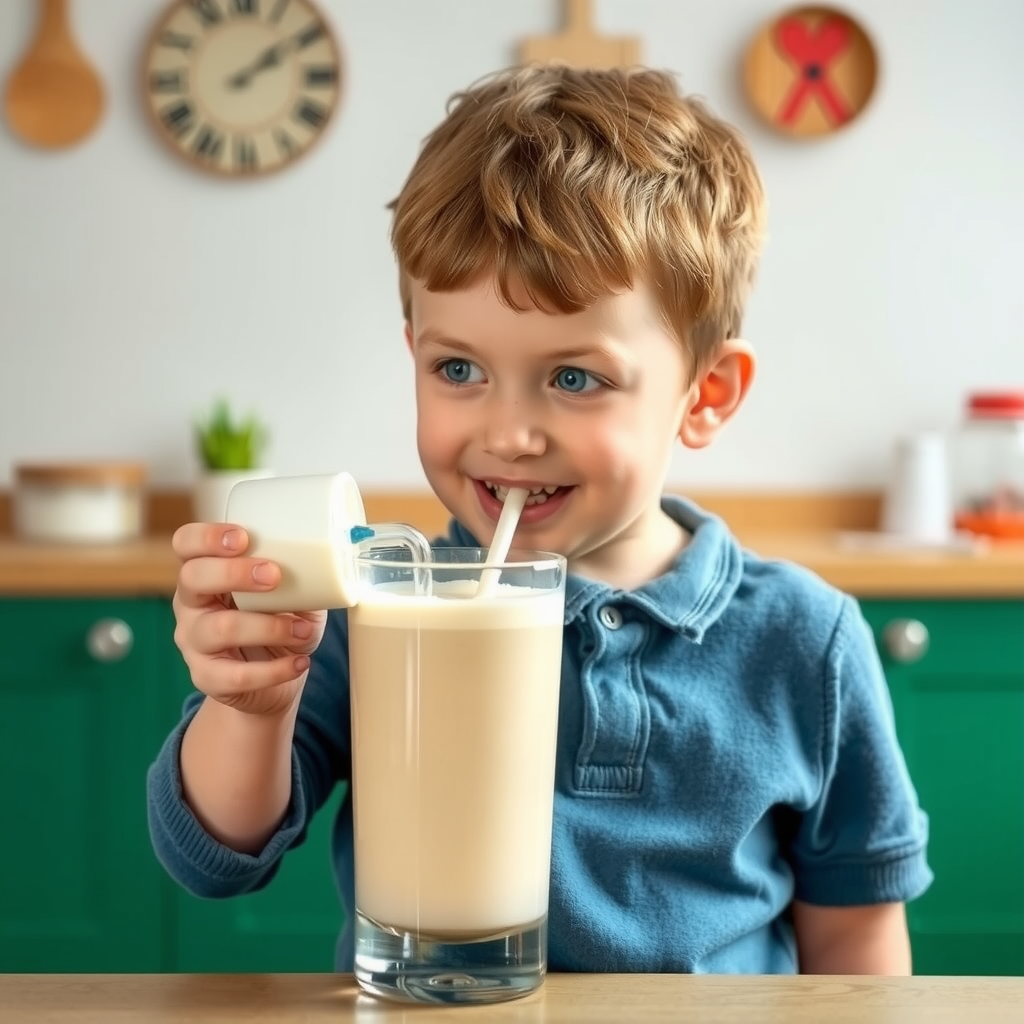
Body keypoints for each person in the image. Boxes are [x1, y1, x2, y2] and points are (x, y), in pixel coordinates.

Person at [148, 64, 932, 975]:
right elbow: (212, 856)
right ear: (414, 354)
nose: (508, 436)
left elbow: (858, 938)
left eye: (573, 379)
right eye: (457, 370)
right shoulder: (372, 609)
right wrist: (248, 707)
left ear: (704, 394)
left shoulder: (806, 641)